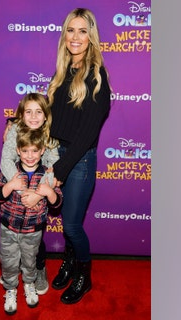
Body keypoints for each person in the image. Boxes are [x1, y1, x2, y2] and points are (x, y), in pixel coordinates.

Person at [47, 8, 111, 304]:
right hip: (55, 155)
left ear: (91, 37)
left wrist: (60, 169)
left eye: (82, 31)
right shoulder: (62, 73)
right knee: (69, 223)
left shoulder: (96, 77)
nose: (75, 37)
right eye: (70, 30)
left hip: (79, 160)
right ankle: (70, 263)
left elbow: (87, 135)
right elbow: (51, 117)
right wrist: (15, 123)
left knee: (71, 225)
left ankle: (84, 275)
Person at [0, 127, 63, 315]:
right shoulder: (10, 173)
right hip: (8, 229)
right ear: (18, 151)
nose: (30, 156)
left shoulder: (47, 176)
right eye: (25, 151)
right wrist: (10, 186)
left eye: (34, 151)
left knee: (30, 262)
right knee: (8, 262)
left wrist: (49, 192)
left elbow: (57, 203)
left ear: (42, 151)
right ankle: (10, 289)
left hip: (33, 231)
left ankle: (29, 284)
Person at [0, 93, 59, 295]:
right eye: (28, 112)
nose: (34, 117)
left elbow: (53, 168)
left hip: (38, 191)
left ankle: (36, 270)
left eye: (39, 112)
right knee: (11, 240)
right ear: (21, 115)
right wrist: (20, 187)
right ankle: (10, 271)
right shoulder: (15, 129)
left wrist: (38, 194)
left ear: (46, 115)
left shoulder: (51, 134)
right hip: (17, 186)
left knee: (34, 240)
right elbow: (6, 160)